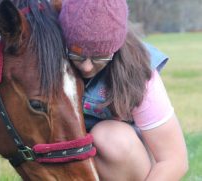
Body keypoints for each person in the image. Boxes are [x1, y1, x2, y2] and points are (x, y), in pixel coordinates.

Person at [59, 0, 188, 180]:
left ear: (116, 48)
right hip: (72, 160)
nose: (87, 67)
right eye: (77, 55)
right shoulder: (47, 56)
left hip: (127, 160)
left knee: (109, 137)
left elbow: (174, 159)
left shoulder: (138, 72)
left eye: (99, 56)